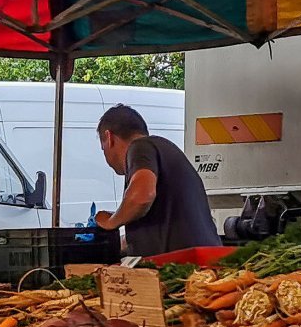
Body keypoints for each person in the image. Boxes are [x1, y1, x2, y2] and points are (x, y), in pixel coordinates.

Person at [95, 103, 222, 257]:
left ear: (109, 138)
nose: (105, 156)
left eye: (103, 149)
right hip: (202, 260)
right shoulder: (163, 149)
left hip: (185, 267)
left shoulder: (140, 147)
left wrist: (111, 222)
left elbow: (142, 196)